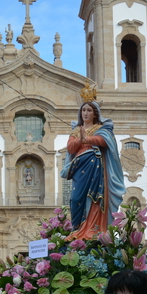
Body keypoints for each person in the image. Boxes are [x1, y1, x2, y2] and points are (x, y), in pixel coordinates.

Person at [60, 100, 126, 237]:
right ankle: (77, 229)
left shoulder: (101, 129)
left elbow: (106, 142)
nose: (85, 113)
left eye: (89, 110)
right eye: (83, 110)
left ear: (95, 114)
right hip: (79, 167)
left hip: (94, 166)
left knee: (94, 197)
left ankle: (93, 229)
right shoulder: (76, 130)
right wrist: (80, 139)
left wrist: (88, 139)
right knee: (76, 198)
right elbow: (70, 148)